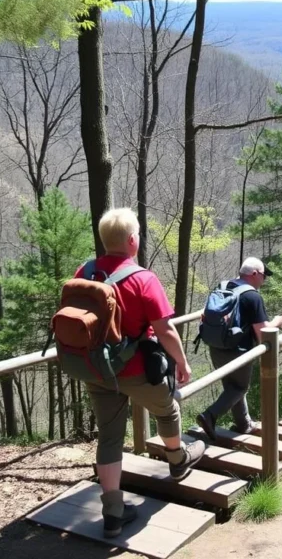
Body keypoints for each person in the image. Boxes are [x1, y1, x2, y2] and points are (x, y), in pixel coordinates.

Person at [79, 208, 204, 537]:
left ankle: (113, 512)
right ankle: (177, 460)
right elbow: (165, 331)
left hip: (97, 370)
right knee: (168, 408)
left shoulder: (86, 271)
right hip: (135, 371)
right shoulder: (143, 279)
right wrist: (182, 362)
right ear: (132, 240)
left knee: (109, 438)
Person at [196, 257, 282, 441]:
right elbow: (263, 334)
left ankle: (243, 424)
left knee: (231, 386)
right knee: (240, 388)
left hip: (216, 345)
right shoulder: (252, 296)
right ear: (254, 274)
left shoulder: (223, 286)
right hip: (238, 350)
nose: (264, 280)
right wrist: (277, 322)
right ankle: (209, 415)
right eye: (263, 276)